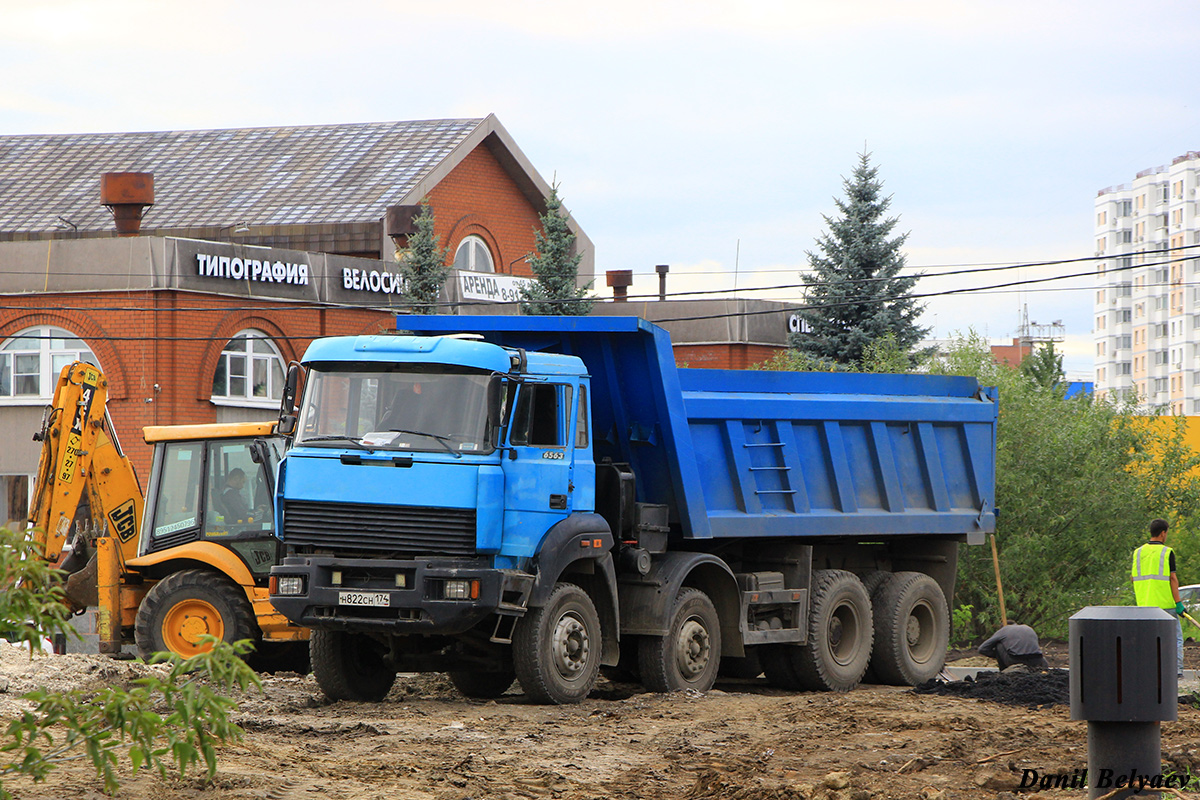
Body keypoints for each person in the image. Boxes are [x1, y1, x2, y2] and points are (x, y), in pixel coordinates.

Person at [1132, 518, 1185, 678]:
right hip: (1165, 604)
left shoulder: (1138, 553)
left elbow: (1134, 578)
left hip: (1144, 606)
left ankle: (1148, 669)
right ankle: (1176, 670)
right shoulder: (1167, 552)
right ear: (1163, 533)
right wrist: (1179, 603)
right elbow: (1172, 579)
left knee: (1148, 639)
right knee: (1175, 638)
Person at [978, 622, 1049, 671]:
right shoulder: (1028, 628)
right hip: (1037, 660)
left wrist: (996, 655)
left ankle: (1004, 672)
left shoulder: (1004, 630)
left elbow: (982, 649)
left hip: (1015, 660)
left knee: (999, 645)